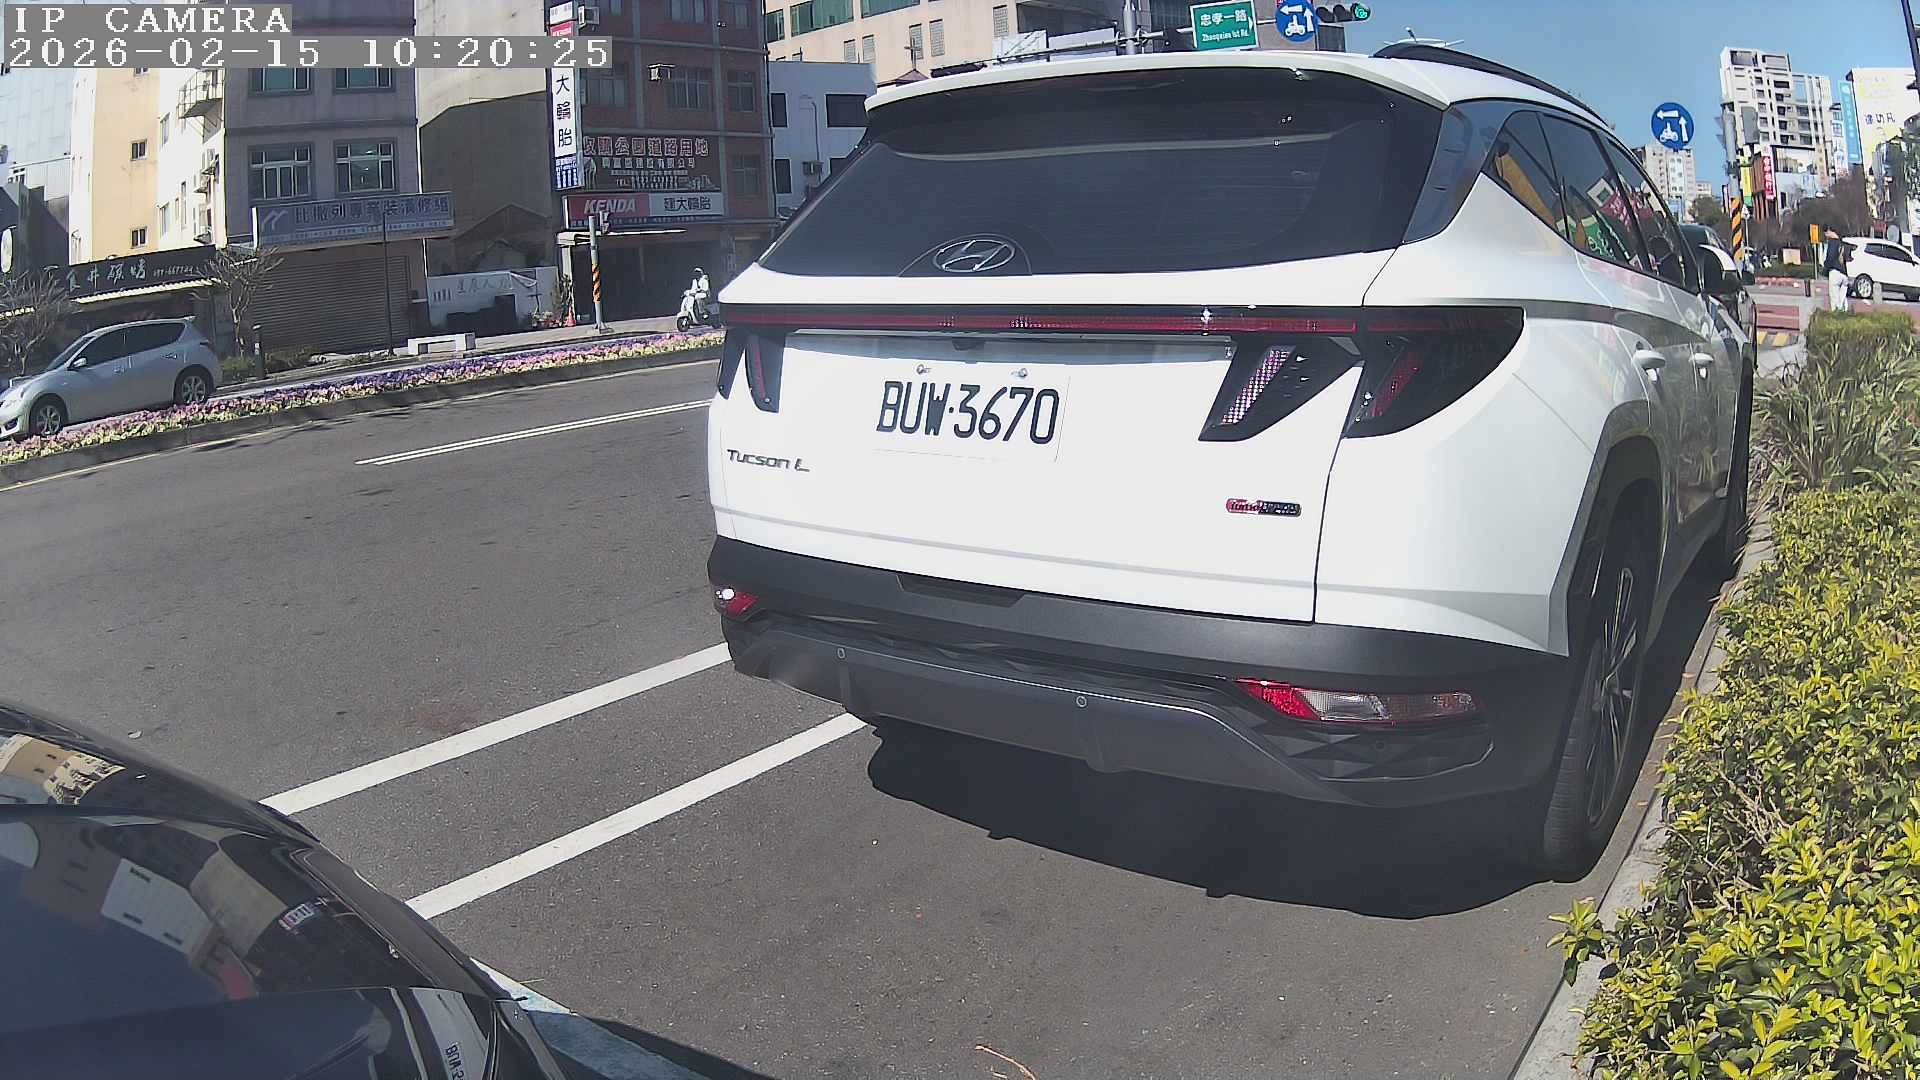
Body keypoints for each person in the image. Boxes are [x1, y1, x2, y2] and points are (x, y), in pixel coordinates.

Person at [1822, 232, 1850, 310]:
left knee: (1834, 298)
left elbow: (1830, 258)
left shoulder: (1833, 242)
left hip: (1835, 272)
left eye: (1827, 233)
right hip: (1844, 273)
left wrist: (1825, 270)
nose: (1826, 235)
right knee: (1843, 299)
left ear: (1831, 232)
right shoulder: (1843, 243)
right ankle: (1844, 313)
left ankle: (1836, 313)